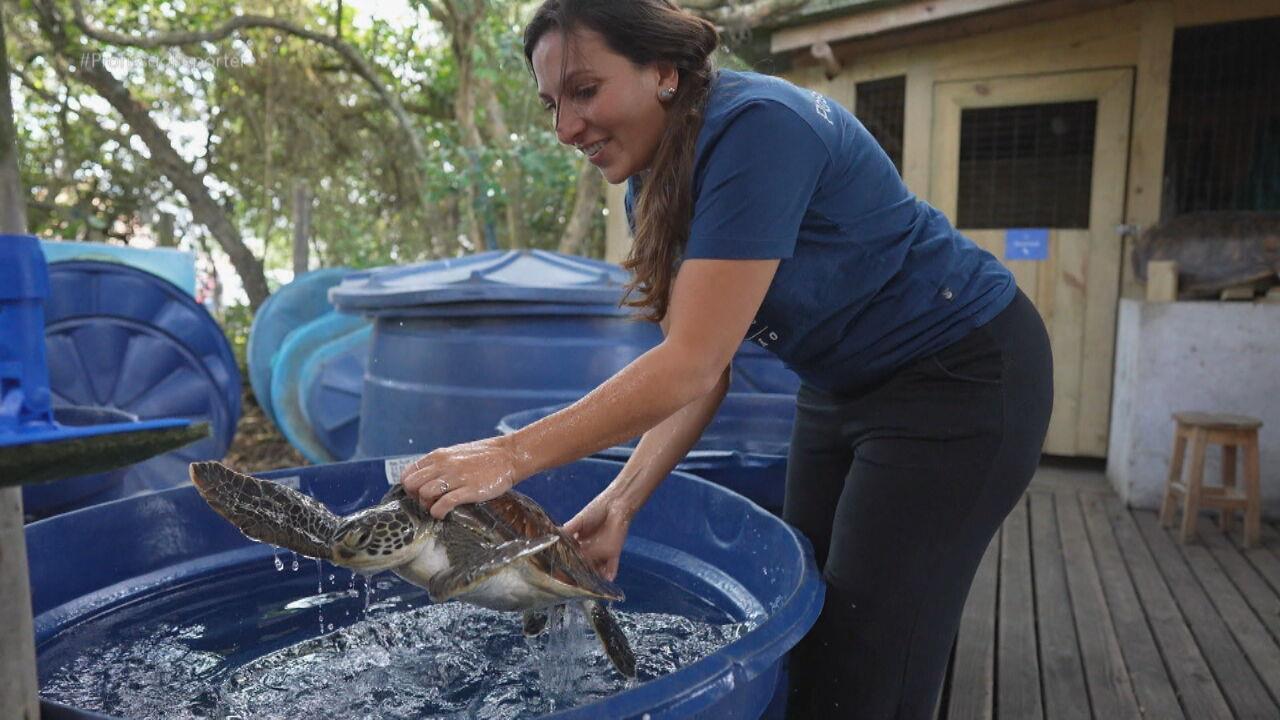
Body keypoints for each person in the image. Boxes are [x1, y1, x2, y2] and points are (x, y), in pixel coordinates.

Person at [401, 1, 1054, 716]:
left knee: (871, 662)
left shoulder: (758, 129)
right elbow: (700, 375)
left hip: (958, 375)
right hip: (838, 389)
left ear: (663, 71)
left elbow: (688, 361)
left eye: (585, 91)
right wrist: (621, 502)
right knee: (807, 618)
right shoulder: (652, 184)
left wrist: (510, 455)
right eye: (552, 104)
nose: (564, 129)